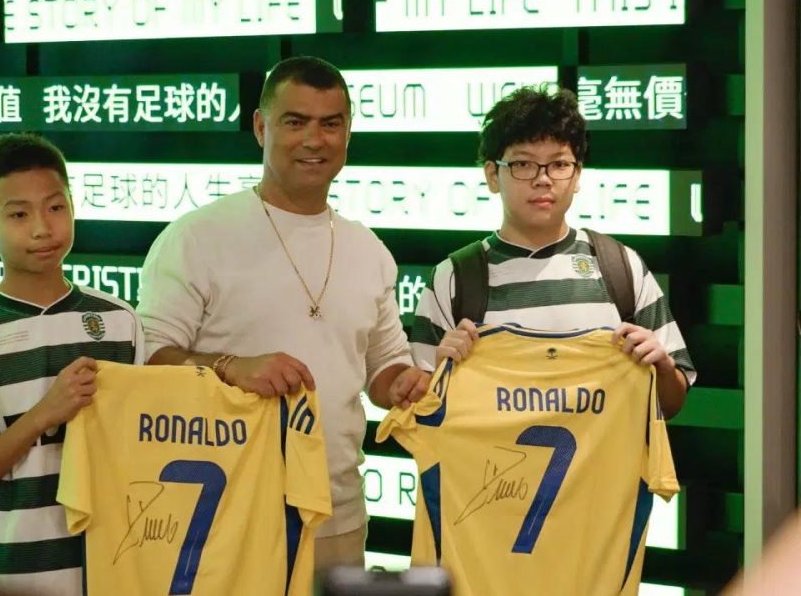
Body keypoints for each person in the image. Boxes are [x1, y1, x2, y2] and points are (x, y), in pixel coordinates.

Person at [137, 55, 431, 569]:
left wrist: (408, 384)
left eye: (330, 124)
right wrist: (230, 368)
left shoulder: (368, 249)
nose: (314, 140)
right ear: (260, 127)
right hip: (221, 516)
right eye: (295, 122)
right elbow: (145, 360)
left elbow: (384, 370)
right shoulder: (198, 237)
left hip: (338, 515)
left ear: (347, 132)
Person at [0, 133, 145, 596]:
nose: (43, 228)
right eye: (19, 214)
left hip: (105, 573)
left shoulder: (119, 321)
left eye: (56, 207)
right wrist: (43, 415)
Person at [410, 85, 694, 418]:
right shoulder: (454, 278)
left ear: (577, 175)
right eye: (523, 164)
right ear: (492, 175)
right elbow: (420, 412)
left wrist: (661, 367)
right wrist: (441, 373)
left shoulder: (621, 267)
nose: (543, 179)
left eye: (559, 164)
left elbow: (671, 403)